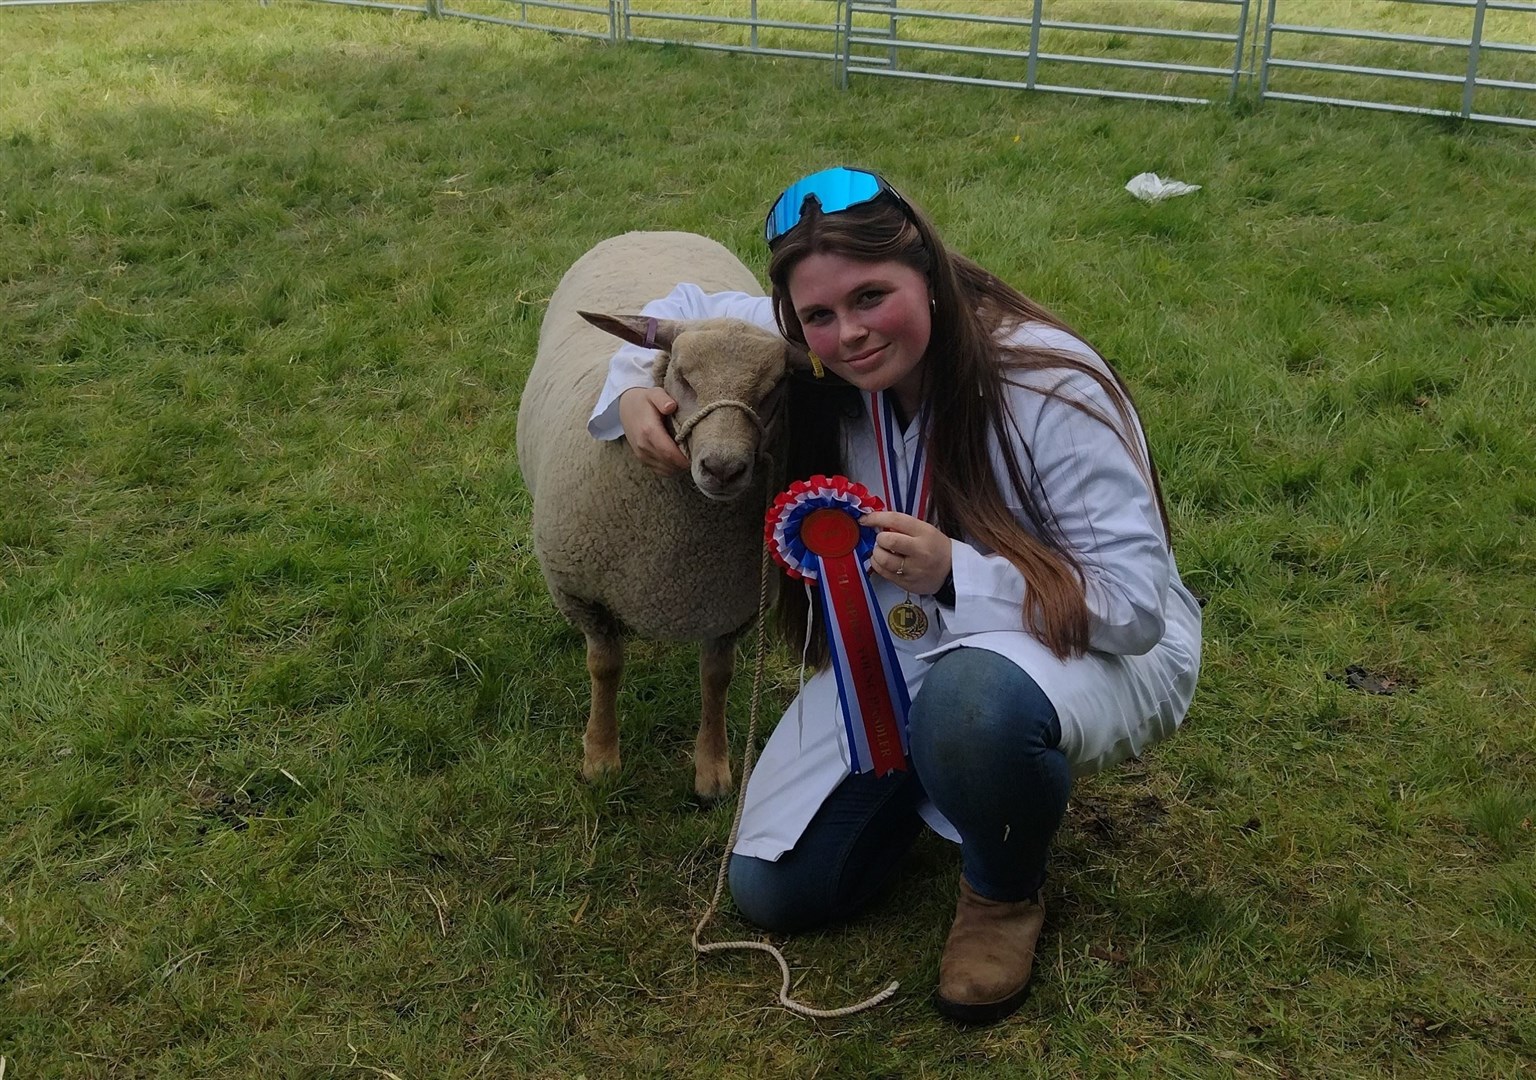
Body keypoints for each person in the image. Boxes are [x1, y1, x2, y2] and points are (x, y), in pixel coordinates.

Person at [586, 167, 1201, 1024]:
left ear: (930, 273)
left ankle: (1002, 889)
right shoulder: (829, 352)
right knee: (776, 891)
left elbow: (1135, 609)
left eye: (873, 296)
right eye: (820, 317)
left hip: (1081, 646)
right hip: (903, 646)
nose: (851, 335)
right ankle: (949, 783)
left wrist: (958, 572)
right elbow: (688, 305)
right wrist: (630, 389)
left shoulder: (1048, 381)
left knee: (974, 708)